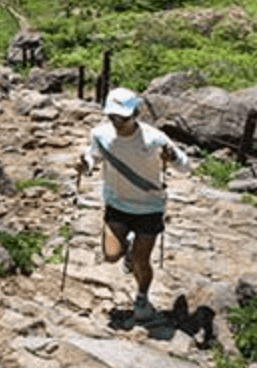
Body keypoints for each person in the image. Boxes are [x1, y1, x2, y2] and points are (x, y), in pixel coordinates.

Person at [75, 87, 189, 321]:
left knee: (141, 260)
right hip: (117, 204)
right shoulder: (100, 135)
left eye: (123, 118)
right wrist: (85, 165)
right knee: (110, 255)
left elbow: (185, 166)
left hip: (149, 207)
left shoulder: (154, 138)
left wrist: (173, 158)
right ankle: (125, 247)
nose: (117, 123)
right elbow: (92, 156)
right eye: (112, 117)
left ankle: (142, 298)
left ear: (136, 114)